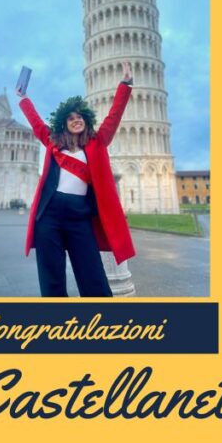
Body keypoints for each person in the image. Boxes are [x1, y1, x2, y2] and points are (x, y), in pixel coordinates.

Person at [16, 61, 136, 297]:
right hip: (49, 215)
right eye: (70, 118)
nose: (76, 120)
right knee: (51, 279)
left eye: (79, 116)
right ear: (64, 123)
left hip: (80, 216)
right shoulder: (53, 142)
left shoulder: (98, 142)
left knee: (93, 277)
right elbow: (37, 124)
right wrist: (23, 98)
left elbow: (114, 116)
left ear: (86, 120)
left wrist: (125, 84)